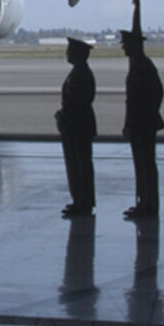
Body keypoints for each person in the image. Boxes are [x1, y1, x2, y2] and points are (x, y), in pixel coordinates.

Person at [120, 0, 164, 220]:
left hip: (143, 123)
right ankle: (144, 202)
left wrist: (145, 117)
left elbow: (155, 92)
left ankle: (149, 203)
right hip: (140, 122)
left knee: (146, 164)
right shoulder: (138, 64)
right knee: (142, 165)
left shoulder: (143, 65)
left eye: (126, 43)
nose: (123, 47)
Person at [56, 37, 96, 217]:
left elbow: (79, 102)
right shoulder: (79, 72)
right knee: (77, 165)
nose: (68, 54)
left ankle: (83, 202)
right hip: (75, 124)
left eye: (70, 51)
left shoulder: (81, 74)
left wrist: (65, 117)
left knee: (80, 165)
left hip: (77, 125)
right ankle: (80, 200)